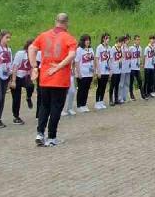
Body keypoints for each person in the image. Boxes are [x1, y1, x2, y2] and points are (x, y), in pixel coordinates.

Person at [29, 13, 77, 147]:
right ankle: (51, 136)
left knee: (44, 106)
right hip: (60, 79)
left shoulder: (43, 36)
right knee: (56, 108)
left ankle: (39, 133)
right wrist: (59, 66)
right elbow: (72, 55)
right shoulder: (69, 38)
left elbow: (32, 48)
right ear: (66, 23)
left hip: (45, 77)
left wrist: (34, 67)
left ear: (55, 21)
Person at [10, 39, 34, 125]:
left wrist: (31, 77)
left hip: (25, 77)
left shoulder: (33, 55)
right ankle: (16, 116)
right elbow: (15, 67)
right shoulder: (21, 54)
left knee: (31, 86)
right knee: (16, 98)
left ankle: (28, 97)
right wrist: (13, 81)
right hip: (16, 76)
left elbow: (31, 67)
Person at [75, 34, 95, 112]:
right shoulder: (79, 50)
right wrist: (79, 73)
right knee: (81, 89)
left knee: (86, 89)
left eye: (89, 40)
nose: (88, 42)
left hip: (89, 73)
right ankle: (79, 105)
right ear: (83, 41)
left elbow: (92, 60)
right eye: (86, 40)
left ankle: (84, 104)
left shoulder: (91, 49)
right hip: (82, 73)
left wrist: (93, 70)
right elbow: (76, 62)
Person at [129, 35, 144, 100]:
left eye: (139, 39)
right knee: (131, 82)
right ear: (134, 40)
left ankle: (142, 94)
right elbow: (128, 57)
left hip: (137, 67)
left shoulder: (140, 48)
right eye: (137, 40)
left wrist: (141, 63)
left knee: (140, 81)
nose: (138, 41)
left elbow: (140, 57)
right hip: (132, 67)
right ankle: (131, 94)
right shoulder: (131, 48)